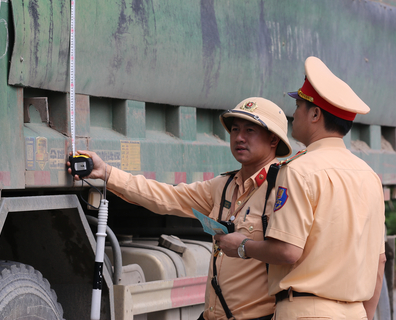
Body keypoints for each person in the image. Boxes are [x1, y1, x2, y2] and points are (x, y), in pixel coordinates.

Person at [69, 97, 293, 320]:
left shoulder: (283, 189)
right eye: (235, 129)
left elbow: (293, 254)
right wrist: (107, 173)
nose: (239, 138)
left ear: (273, 140)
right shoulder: (223, 187)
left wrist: (245, 246)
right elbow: (167, 197)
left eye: (250, 130)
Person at [216, 57, 386, 320]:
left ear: (315, 114)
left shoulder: (298, 170)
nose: (294, 114)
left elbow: (287, 251)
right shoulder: (370, 176)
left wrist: (242, 245)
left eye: (298, 106)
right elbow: (379, 261)